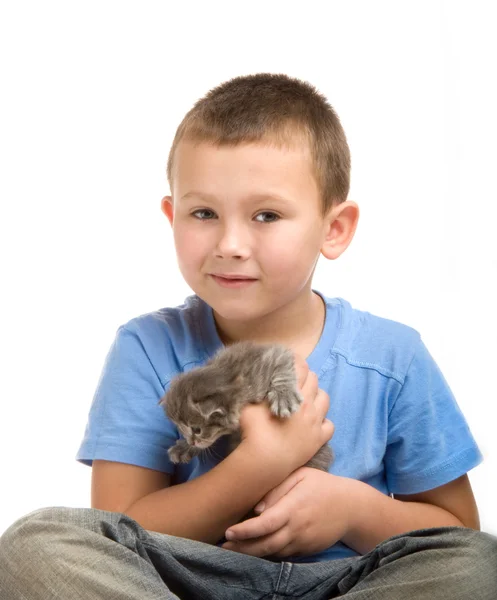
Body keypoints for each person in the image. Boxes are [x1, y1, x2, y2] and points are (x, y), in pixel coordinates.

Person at [1, 72, 496, 600]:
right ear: (172, 218)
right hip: (186, 581)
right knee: (37, 545)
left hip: (350, 583)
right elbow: (119, 528)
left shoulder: (392, 355)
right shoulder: (147, 346)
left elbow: (455, 531)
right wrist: (259, 464)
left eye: (266, 215)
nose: (231, 243)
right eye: (203, 213)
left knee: (478, 565)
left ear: (334, 229)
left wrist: (352, 511)